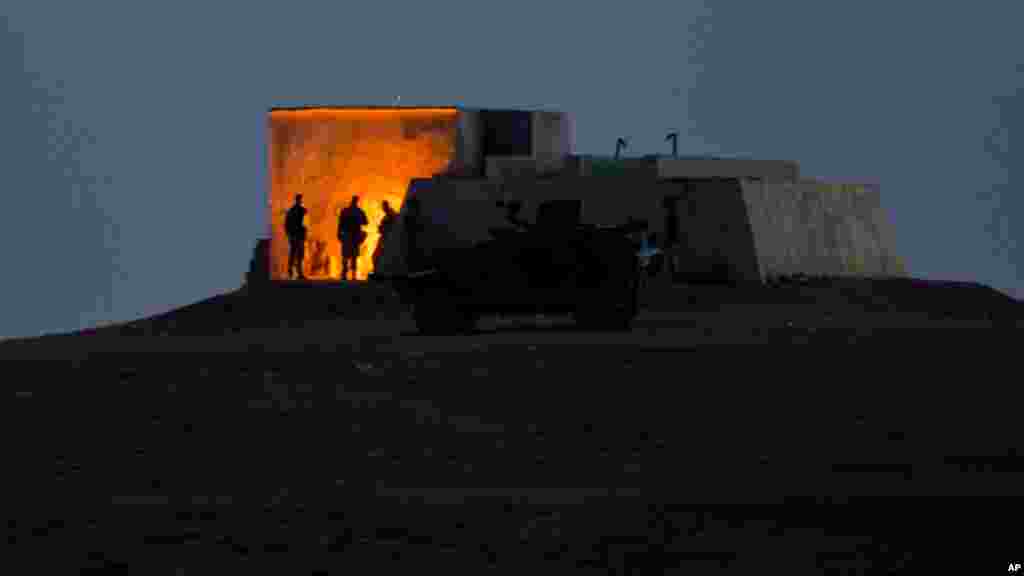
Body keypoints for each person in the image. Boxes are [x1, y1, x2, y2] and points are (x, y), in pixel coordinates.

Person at [337, 195, 369, 281]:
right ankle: (353, 275)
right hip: (355, 235)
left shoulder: (345, 211)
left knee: (345, 255)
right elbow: (366, 222)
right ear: (357, 202)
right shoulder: (359, 211)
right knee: (353, 256)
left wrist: (339, 233)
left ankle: (344, 274)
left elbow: (340, 223)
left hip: (347, 235)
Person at [284, 194, 307, 280]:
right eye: (300, 200)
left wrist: (289, 234)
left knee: (294, 254)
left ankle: (293, 272)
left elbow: (286, 224)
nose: (300, 201)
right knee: (298, 254)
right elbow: (305, 224)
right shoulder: (301, 210)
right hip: (297, 235)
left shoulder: (292, 210)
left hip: (296, 235)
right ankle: (297, 272)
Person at [372, 200, 398, 270]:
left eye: (383, 207)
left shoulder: (391, 215)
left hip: (388, 239)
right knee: (376, 256)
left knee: (377, 256)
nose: (383, 208)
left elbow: (392, 226)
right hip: (385, 238)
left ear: (386, 206)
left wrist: (383, 228)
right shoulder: (388, 215)